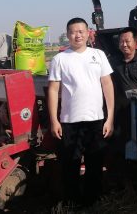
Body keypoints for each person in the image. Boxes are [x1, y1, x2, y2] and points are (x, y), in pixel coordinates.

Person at [48, 17, 115, 206]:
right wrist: (54, 120)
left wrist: (110, 118)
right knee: (70, 163)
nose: (77, 35)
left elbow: (107, 85)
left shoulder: (98, 55)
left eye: (81, 31)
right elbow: (53, 90)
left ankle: (92, 202)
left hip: (96, 119)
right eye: (73, 32)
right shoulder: (60, 59)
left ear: (88, 33)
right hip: (69, 121)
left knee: (95, 162)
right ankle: (72, 202)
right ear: (67, 35)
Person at [108, 27, 137, 183]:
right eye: (121, 41)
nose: (124, 45)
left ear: (135, 42)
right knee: (119, 145)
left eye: (127, 41)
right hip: (118, 112)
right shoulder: (113, 62)